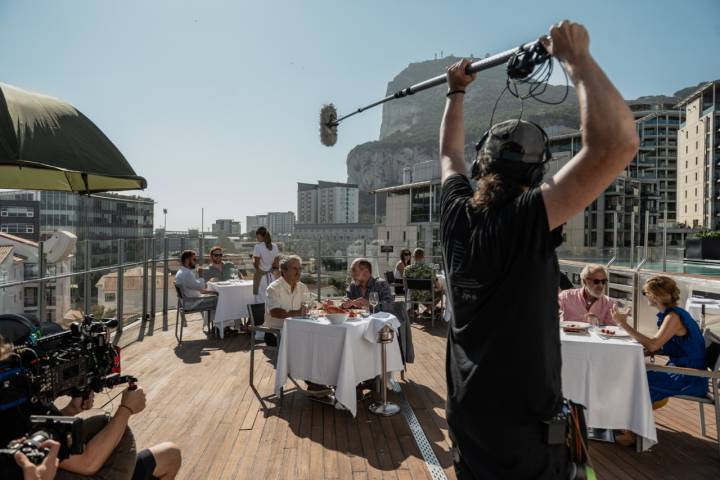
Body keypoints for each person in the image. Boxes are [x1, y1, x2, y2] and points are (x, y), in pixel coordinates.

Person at [438, 20, 639, 479]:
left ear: (482, 163)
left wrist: (455, 92)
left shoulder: (454, 213)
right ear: (535, 177)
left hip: (468, 415)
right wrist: (576, 59)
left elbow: (449, 155)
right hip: (524, 430)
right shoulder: (530, 216)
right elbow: (618, 142)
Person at [0, 337, 182, 480]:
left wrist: (71, 409)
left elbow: (41, 431)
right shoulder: (12, 408)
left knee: (170, 455)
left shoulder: (19, 401)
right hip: (83, 471)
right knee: (170, 456)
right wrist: (126, 408)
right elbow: (88, 464)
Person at [612, 276, 706, 433]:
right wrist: (644, 351)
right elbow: (667, 346)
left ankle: (631, 432)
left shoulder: (673, 317)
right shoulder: (675, 314)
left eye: (645, 293)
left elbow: (654, 343)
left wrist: (623, 324)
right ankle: (629, 424)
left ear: (654, 296)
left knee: (638, 380)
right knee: (634, 376)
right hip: (684, 370)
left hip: (690, 377)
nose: (645, 296)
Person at [264, 255, 329, 398]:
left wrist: (323, 305)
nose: (299, 272)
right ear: (283, 270)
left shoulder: (302, 287)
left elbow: (311, 306)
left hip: (300, 331)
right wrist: (298, 312)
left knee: (324, 339)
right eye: (295, 268)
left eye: (300, 268)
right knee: (309, 343)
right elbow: (275, 312)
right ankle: (313, 382)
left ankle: (324, 378)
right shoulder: (273, 288)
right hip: (276, 333)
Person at [402, 248, 441, 316]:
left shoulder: (407, 269)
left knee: (423, 293)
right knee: (441, 291)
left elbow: (404, 284)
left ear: (413, 256)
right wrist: (438, 287)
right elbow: (438, 286)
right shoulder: (429, 269)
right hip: (426, 296)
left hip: (412, 295)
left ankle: (430, 309)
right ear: (423, 257)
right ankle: (427, 311)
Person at [252, 227, 280, 302]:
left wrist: (258, 269)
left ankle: (260, 314)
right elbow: (277, 263)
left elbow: (256, 263)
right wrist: (272, 269)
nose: (257, 238)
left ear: (261, 236)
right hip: (272, 277)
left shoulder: (258, 246)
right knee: (272, 299)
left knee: (260, 299)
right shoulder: (275, 246)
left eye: (257, 236)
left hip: (261, 278)